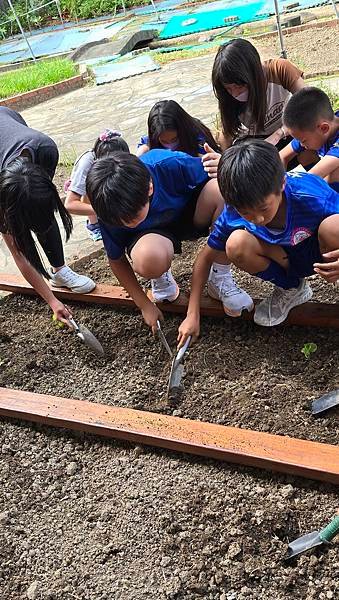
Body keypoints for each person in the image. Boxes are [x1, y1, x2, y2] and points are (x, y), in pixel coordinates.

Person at [178, 140, 339, 346]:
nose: (258, 219)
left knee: (334, 226)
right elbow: (205, 258)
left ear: (282, 184)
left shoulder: (309, 194)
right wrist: (193, 313)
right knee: (236, 244)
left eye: (264, 208)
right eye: (247, 213)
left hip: (320, 252)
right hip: (286, 258)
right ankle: (291, 288)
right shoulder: (234, 211)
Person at [86, 148, 242, 333]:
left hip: (187, 214)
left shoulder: (169, 164)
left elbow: (219, 173)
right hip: (150, 236)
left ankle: (220, 277)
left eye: (133, 216)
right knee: (149, 258)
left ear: (150, 188)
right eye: (121, 222)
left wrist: (225, 163)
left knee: (222, 189)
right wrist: (144, 304)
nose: (126, 224)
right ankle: (159, 275)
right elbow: (116, 259)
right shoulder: (109, 207)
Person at [0, 107, 95, 324]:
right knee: (20, 236)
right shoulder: (2, 200)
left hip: (7, 117)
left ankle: (59, 271)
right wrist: (52, 301)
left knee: (40, 212)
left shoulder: (46, 149)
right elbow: (19, 254)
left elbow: (39, 201)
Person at [202, 38, 314, 178]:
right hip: (254, 146)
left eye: (239, 86)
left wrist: (280, 133)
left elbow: (310, 104)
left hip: (287, 133)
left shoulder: (280, 70)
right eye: (229, 89)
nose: (235, 93)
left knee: (308, 145)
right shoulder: (228, 98)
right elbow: (227, 133)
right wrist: (226, 163)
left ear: (253, 74)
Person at [65, 129, 130, 242]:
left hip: (103, 181)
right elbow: (70, 204)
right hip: (87, 190)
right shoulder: (86, 165)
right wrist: (105, 210)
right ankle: (94, 224)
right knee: (91, 190)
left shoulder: (116, 159)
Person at [280, 87, 339, 191]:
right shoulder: (316, 128)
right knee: (304, 154)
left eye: (303, 141)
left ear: (324, 128)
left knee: (334, 173)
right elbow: (281, 156)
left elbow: (311, 177)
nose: (301, 144)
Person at [136, 100, 220, 158]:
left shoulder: (199, 139)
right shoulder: (154, 139)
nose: (170, 146)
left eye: (174, 139)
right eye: (164, 142)